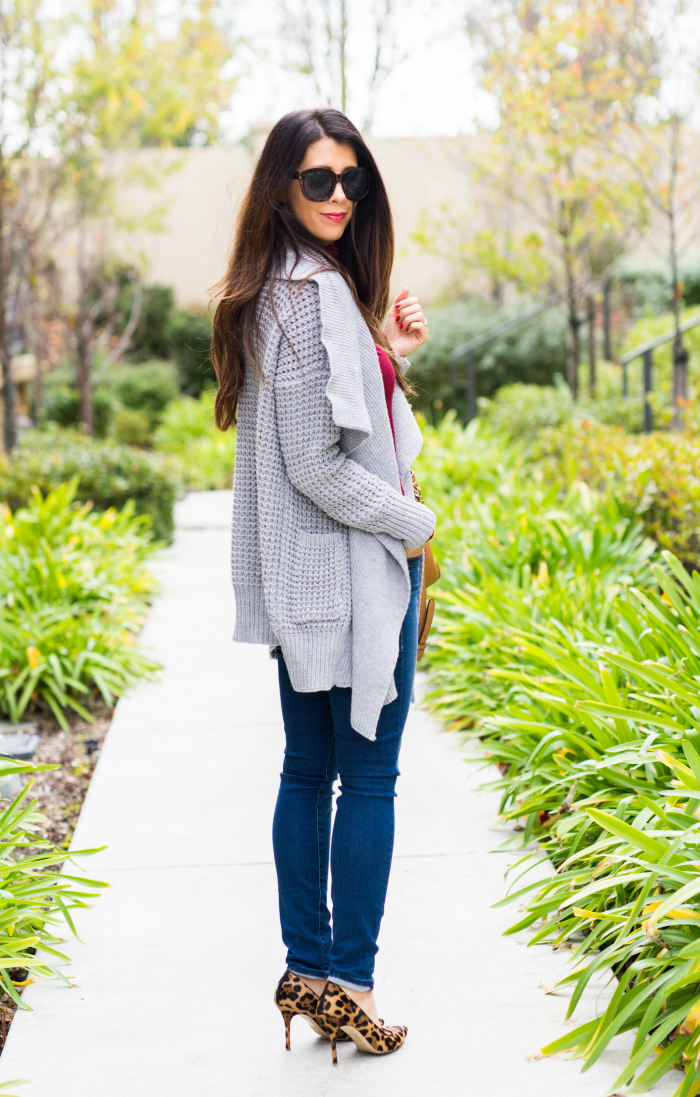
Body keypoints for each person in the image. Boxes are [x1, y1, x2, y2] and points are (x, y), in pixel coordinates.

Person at [211, 107, 435, 1066]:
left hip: (312, 582)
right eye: (318, 179)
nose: (340, 195)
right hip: (346, 578)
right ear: (281, 186)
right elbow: (316, 464)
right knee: (368, 778)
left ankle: (310, 972)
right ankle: (348, 983)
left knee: (310, 772)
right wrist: (413, 524)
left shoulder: (294, 290)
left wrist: (390, 357)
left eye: (354, 179)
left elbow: (342, 429)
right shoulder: (306, 298)